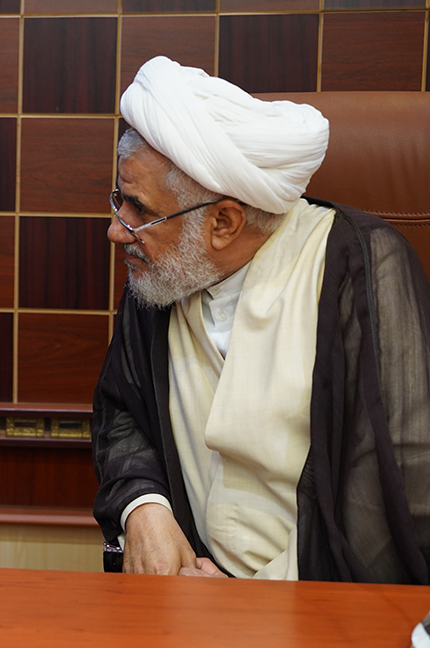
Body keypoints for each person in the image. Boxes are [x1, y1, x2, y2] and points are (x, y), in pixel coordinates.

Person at [92, 56, 430, 584]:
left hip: (317, 607)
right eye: (121, 200)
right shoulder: (161, 273)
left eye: (139, 209)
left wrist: (252, 601)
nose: (117, 229)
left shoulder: (357, 267)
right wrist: (144, 505)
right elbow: (122, 412)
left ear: (223, 223)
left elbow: (396, 488)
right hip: (181, 595)